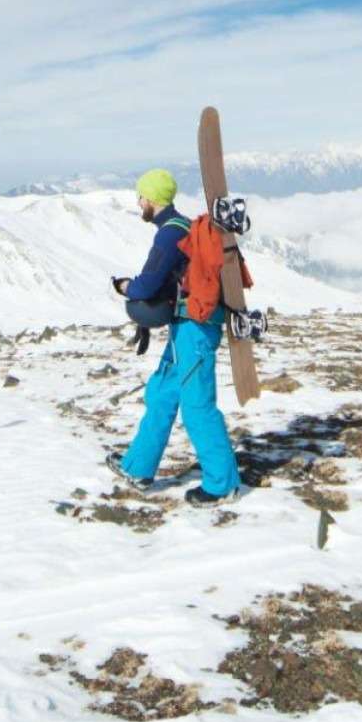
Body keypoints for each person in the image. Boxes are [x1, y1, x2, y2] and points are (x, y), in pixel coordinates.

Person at [107, 168, 244, 504]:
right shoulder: (181, 227)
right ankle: (138, 466)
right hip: (186, 326)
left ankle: (222, 484)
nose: (139, 202)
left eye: (140, 197)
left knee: (197, 405)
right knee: (162, 393)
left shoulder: (169, 234)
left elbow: (148, 283)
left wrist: (126, 287)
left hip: (195, 328)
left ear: (151, 198)